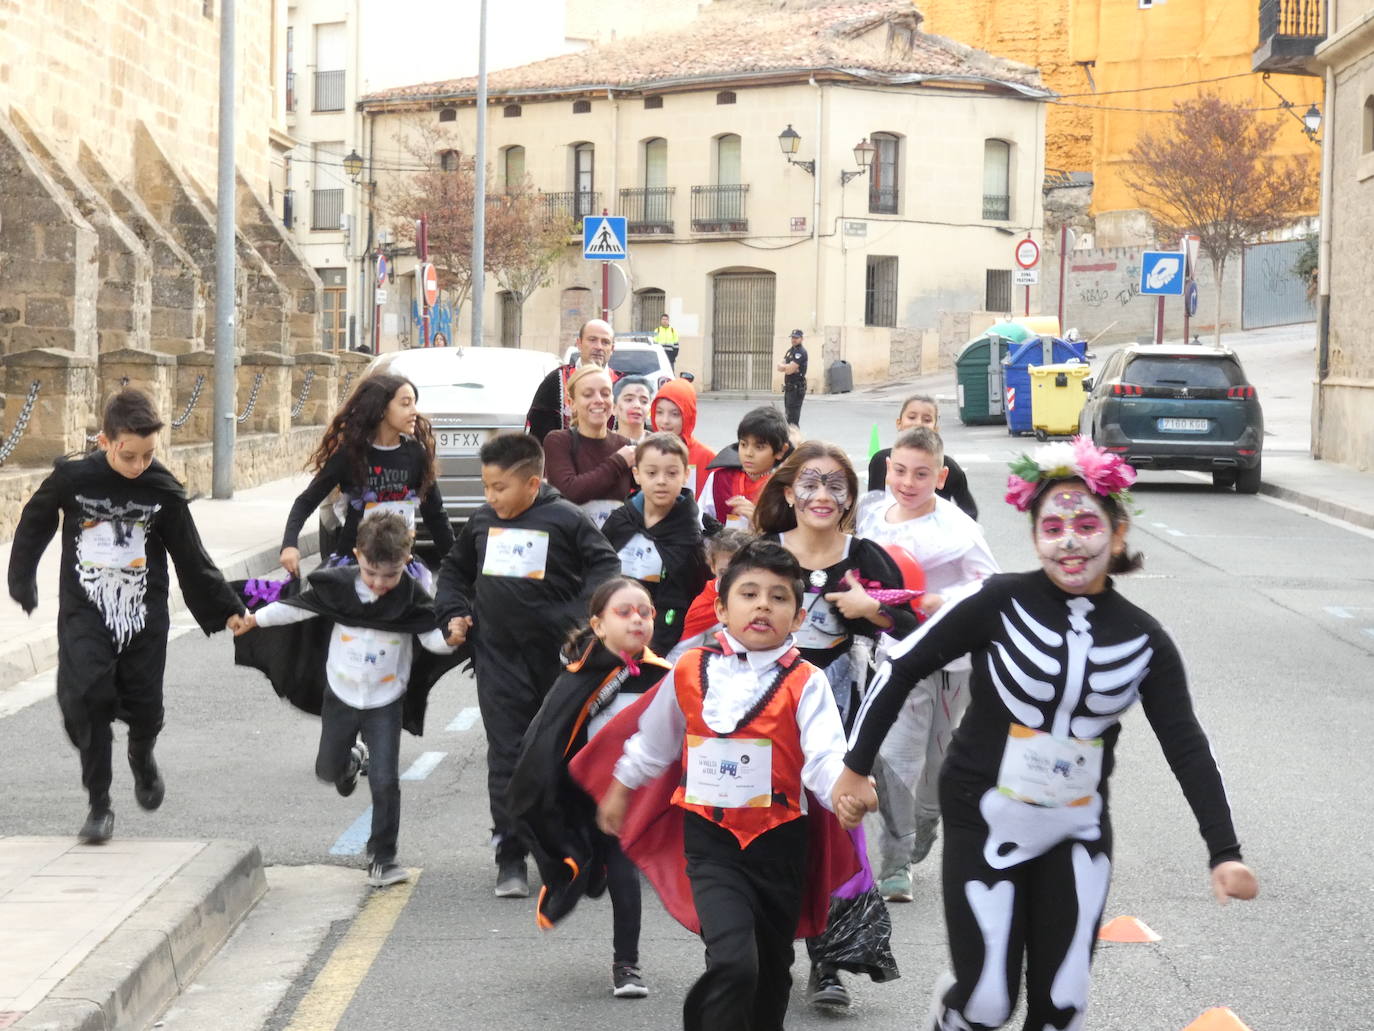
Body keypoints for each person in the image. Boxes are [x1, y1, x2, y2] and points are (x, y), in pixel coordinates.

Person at [834, 437, 1259, 1031]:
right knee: (985, 1002)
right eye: (1051, 525)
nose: (1068, 540)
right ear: (1034, 536)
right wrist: (854, 767)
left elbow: (1186, 743)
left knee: (1061, 1009)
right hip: (983, 815)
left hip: (1077, 829)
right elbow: (904, 665)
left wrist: (1225, 852)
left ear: (1115, 534)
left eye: (1085, 523)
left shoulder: (1143, 638)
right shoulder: (999, 601)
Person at [592, 540, 862, 1031]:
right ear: (720, 607)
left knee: (772, 969)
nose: (763, 605)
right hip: (710, 841)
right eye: (750, 593)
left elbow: (823, 757)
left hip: (780, 842)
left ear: (798, 617)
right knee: (734, 961)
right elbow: (655, 742)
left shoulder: (808, 681)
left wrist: (841, 793)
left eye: (779, 598)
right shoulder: (690, 670)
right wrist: (620, 787)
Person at [7, 388, 246, 843]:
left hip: (143, 613)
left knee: (146, 705)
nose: (138, 466)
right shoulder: (74, 478)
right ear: (105, 442)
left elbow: (191, 556)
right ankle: (99, 804)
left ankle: (142, 752)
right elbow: (35, 519)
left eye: (147, 455)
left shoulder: (161, 488)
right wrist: (22, 579)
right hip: (86, 610)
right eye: (128, 455)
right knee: (90, 696)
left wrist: (228, 609)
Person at [754, 442, 917, 1009]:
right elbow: (720, 620)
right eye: (810, 484)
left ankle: (828, 964)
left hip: (842, 717)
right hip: (765, 716)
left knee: (838, 831)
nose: (822, 496)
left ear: (850, 496)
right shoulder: (763, 553)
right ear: (787, 492)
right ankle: (759, 953)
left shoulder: (867, 556)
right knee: (769, 836)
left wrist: (871, 610)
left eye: (836, 486)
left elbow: (912, 629)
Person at [231, 513, 465, 887]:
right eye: (372, 573)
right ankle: (349, 760)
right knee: (327, 770)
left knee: (386, 779)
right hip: (340, 694)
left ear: (406, 562)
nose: (380, 583)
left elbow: (428, 638)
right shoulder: (337, 588)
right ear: (357, 556)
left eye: (390, 575)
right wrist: (255, 620)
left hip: (386, 700)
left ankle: (383, 856)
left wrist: (450, 639)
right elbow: (296, 609)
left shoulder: (411, 597)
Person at [434, 432, 621, 897]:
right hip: (498, 660)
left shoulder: (566, 519)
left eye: (499, 488)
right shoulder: (481, 522)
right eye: (486, 487)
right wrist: (453, 611)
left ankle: (570, 850)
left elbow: (606, 567)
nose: (490, 497)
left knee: (563, 754)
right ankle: (510, 854)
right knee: (507, 757)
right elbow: (454, 572)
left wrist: (580, 620)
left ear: (533, 483)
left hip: (558, 664)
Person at [508, 578, 671, 999]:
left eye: (645, 611)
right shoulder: (577, 676)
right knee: (585, 865)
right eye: (624, 612)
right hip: (580, 798)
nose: (637, 618)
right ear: (598, 626)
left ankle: (626, 964)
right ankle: (576, 873)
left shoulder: (665, 676)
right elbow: (547, 739)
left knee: (622, 868)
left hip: (633, 798)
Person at [856, 426, 999, 904]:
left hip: (954, 661)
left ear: (939, 477)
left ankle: (927, 818)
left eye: (920, 474)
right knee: (899, 757)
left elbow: (989, 584)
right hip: (897, 655)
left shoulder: (959, 528)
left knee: (938, 760)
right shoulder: (873, 518)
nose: (908, 482)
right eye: (899, 470)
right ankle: (895, 863)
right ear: (888, 468)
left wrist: (946, 599)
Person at [279, 374, 453, 577]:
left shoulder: (416, 455)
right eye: (405, 404)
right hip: (353, 566)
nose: (414, 411)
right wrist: (289, 544)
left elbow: (436, 516)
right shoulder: (350, 455)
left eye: (414, 403)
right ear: (381, 408)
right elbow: (306, 501)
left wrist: (457, 566)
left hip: (400, 568)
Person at [601, 434, 714, 656]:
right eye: (651, 473)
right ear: (637, 474)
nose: (661, 481)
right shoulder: (620, 520)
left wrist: (653, 649)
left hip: (661, 642)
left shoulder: (689, 537)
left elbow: (681, 600)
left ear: (685, 475)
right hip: (610, 632)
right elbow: (598, 571)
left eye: (671, 473)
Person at [543, 365, 636, 530]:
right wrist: (618, 462)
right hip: (572, 546)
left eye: (605, 393)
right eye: (588, 394)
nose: (599, 399)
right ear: (572, 403)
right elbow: (569, 493)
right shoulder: (558, 441)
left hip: (616, 546)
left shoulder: (626, 446)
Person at [866, 395, 978, 519]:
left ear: (935, 428)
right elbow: (873, 505)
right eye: (912, 417)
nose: (918, 423)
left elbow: (969, 511)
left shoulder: (949, 467)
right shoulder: (880, 461)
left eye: (927, 419)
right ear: (899, 422)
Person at [666, 527, 755, 662]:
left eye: (739, 571)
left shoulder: (761, 600)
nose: (731, 579)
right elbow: (682, 656)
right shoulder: (704, 604)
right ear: (712, 566)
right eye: (724, 572)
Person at [526, 319, 618, 442]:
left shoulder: (622, 385)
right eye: (592, 340)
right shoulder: (556, 381)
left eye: (605, 342)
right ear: (579, 344)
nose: (598, 347)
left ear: (612, 349)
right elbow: (537, 435)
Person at [700, 406, 790, 531]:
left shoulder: (784, 488)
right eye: (743, 444)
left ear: (781, 451)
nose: (748, 453)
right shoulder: (719, 479)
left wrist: (759, 521)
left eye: (759, 447)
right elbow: (700, 521)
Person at [649, 377, 716, 498]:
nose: (665, 421)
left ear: (688, 415)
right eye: (659, 412)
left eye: (674, 414)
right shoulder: (646, 452)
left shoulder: (708, 459)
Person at [776, 329, 808, 428]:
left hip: (796, 389)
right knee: (788, 419)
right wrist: (789, 367)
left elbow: (788, 370)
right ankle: (790, 441)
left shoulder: (801, 352)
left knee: (793, 422)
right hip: (789, 389)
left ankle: (796, 442)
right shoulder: (791, 351)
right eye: (793, 337)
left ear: (802, 339)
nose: (794, 340)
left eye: (796, 338)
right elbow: (779, 366)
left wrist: (787, 368)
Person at [612, 374, 654, 447]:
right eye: (629, 400)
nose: (637, 405)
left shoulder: (659, 445)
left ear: (650, 409)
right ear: (614, 408)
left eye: (644, 401)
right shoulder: (603, 444)